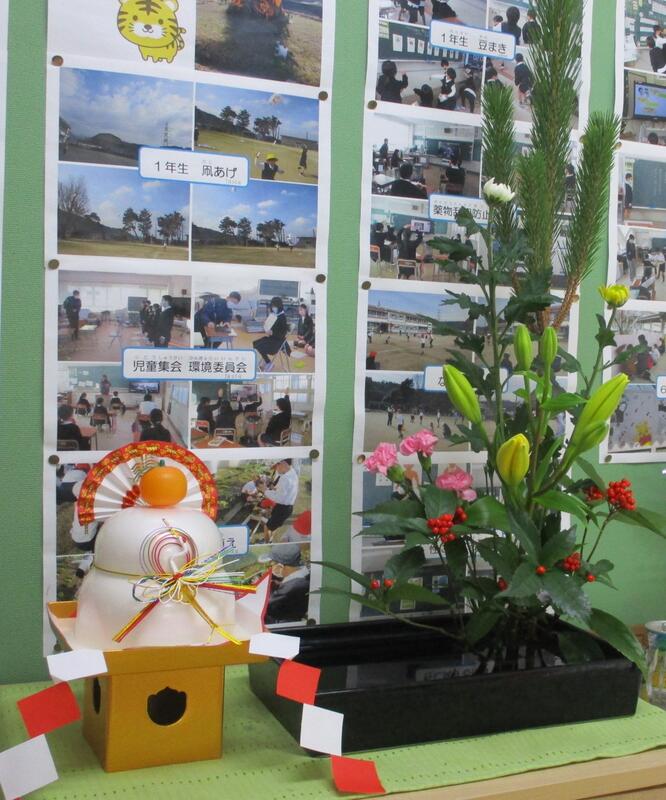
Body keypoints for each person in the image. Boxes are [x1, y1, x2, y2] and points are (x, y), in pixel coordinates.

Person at [263, 459, 299, 541]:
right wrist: (273, 489)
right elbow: (283, 492)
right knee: (274, 526)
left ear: (283, 463)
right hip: (286, 508)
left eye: (276, 467)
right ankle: (270, 539)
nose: (276, 470)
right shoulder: (292, 473)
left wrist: (265, 490)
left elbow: (279, 498)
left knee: (266, 527)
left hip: (282, 508)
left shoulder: (285, 478)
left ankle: (266, 543)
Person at [254, 296, 289, 367]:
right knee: (256, 343)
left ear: (279, 306)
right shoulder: (274, 315)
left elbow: (282, 334)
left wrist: (272, 333)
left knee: (259, 346)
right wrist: (266, 324)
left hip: (277, 342)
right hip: (272, 338)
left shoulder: (282, 317)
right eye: (272, 306)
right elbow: (272, 326)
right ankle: (267, 362)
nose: (273, 308)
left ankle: (268, 363)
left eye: (275, 306)